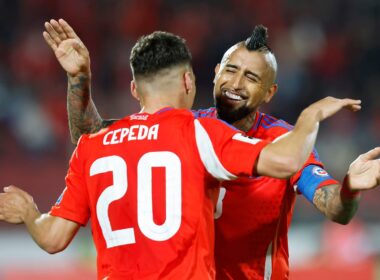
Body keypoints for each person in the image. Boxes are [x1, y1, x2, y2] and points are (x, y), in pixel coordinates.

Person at [0, 19, 363, 280]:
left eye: (251, 77)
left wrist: (349, 188)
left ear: (269, 93)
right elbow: (92, 137)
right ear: (212, 73)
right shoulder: (194, 130)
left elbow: (334, 205)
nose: (236, 83)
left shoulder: (273, 137)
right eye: (231, 71)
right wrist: (313, 115)